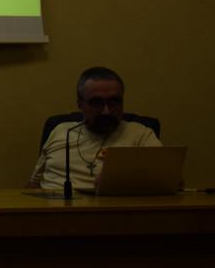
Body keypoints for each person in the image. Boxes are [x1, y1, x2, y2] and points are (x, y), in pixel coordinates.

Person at [28, 66, 160, 191]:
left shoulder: (140, 134)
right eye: (97, 103)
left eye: (114, 102)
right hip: (53, 205)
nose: (106, 111)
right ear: (80, 104)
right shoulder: (61, 131)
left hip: (111, 206)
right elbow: (33, 184)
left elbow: (167, 182)